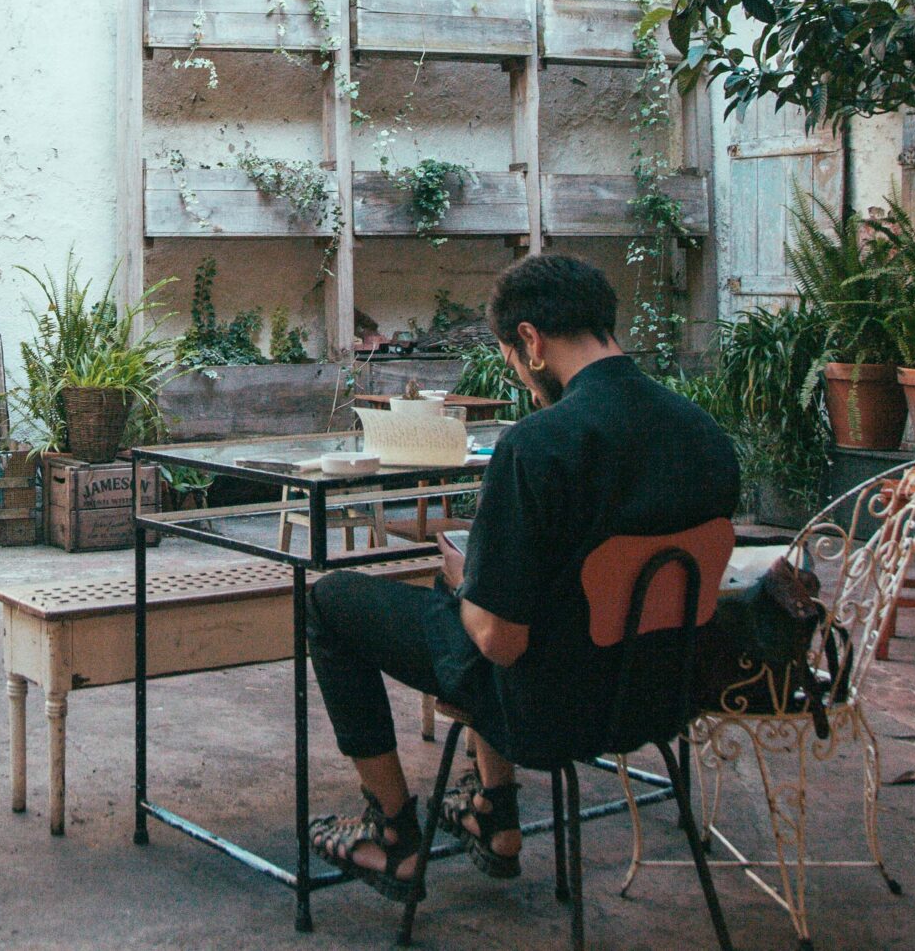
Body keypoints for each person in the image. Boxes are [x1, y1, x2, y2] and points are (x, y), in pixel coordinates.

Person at [304, 254, 740, 901]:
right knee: (479, 589)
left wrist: (473, 581)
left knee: (332, 600)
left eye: (512, 357)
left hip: (547, 710)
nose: (523, 377)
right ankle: (492, 811)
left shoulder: (539, 444)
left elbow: (500, 642)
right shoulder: (703, 434)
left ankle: (392, 832)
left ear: (531, 340)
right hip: (658, 697)